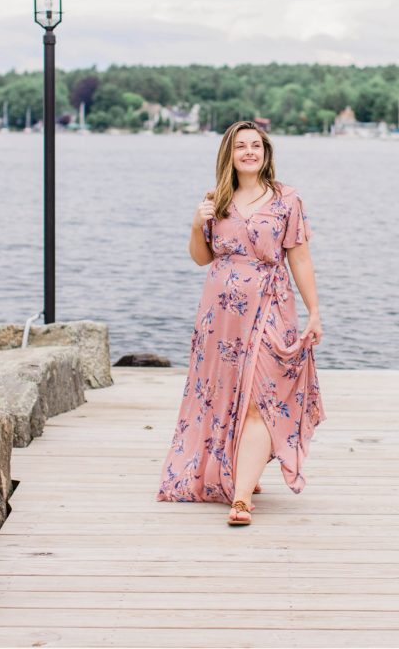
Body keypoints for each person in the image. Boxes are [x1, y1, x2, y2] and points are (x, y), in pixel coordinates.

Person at [155, 120, 326, 525]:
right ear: (229, 154)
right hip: (221, 315)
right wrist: (197, 223)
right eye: (241, 146)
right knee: (226, 394)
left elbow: (299, 257)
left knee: (259, 397)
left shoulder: (287, 199)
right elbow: (201, 257)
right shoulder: (217, 198)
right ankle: (241, 471)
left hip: (270, 305)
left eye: (256, 146)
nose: (249, 152)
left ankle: (242, 499)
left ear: (266, 153)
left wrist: (314, 311)